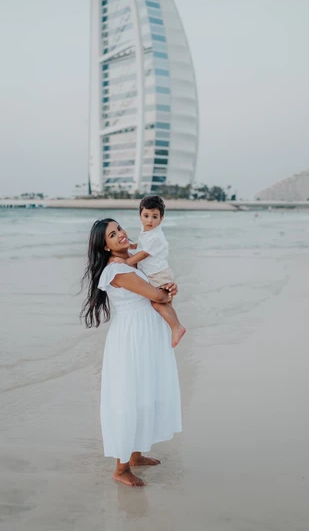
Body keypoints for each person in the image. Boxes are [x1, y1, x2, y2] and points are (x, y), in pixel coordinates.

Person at [81, 218, 182, 487]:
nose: (121, 235)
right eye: (112, 235)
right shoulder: (116, 271)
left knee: (144, 393)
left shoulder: (133, 263)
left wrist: (170, 287)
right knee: (128, 397)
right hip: (131, 341)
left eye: (120, 229)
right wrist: (166, 293)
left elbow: (159, 290)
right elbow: (158, 297)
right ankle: (121, 468)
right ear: (105, 246)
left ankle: (135, 455)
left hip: (145, 335)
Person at [112, 195, 186, 348]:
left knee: (158, 303)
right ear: (140, 216)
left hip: (158, 273)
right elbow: (142, 246)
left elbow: (144, 253)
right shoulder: (147, 232)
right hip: (157, 272)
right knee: (166, 303)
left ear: (161, 218)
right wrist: (132, 247)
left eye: (154, 217)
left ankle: (176, 327)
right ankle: (175, 326)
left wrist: (127, 262)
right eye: (146, 216)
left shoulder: (156, 236)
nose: (150, 220)